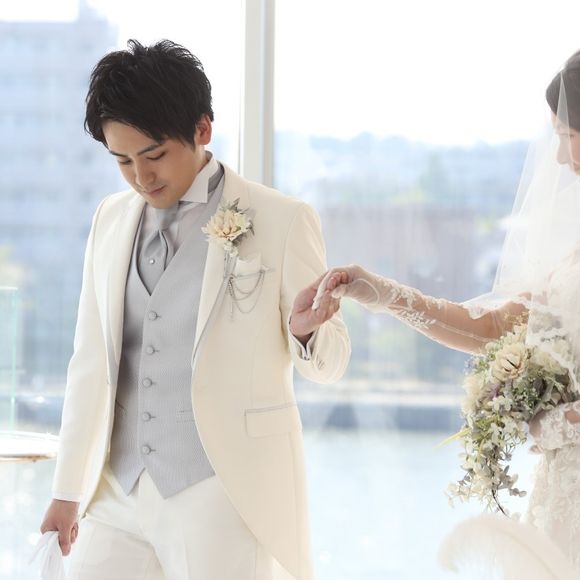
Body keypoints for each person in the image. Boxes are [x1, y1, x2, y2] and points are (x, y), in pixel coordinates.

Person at [39, 39, 351, 580]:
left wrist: (305, 334)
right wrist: (67, 490)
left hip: (220, 489)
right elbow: (89, 361)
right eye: (122, 160)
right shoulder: (110, 219)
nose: (141, 176)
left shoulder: (281, 220)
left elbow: (332, 363)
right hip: (115, 489)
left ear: (202, 129)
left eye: (154, 155)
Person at [315, 49, 580, 575]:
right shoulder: (571, 255)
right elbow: (495, 327)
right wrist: (381, 293)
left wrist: (562, 422)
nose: (557, 157)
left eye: (567, 135)